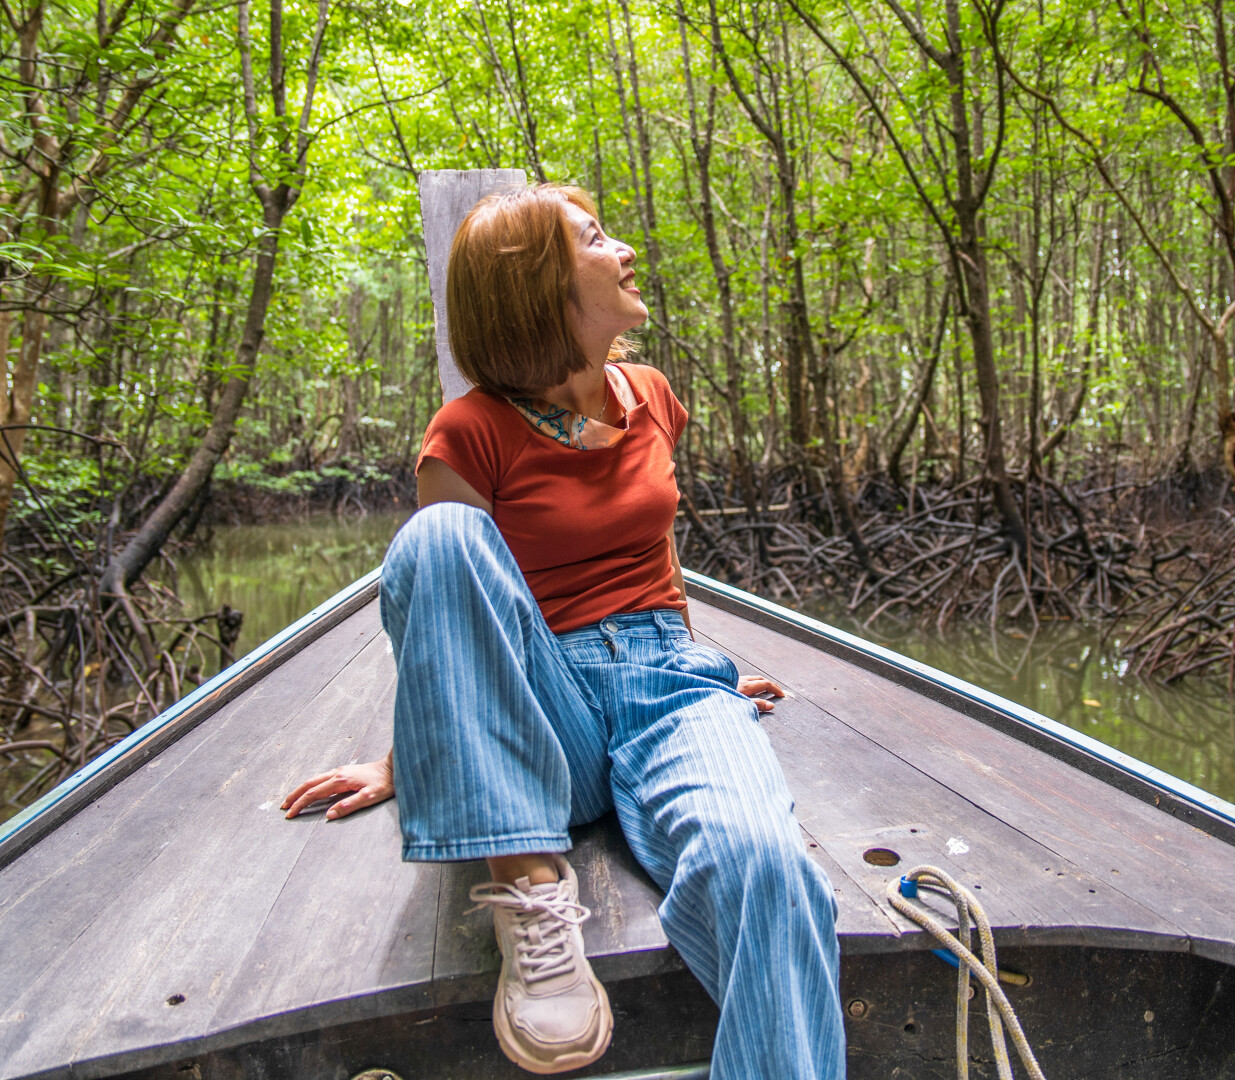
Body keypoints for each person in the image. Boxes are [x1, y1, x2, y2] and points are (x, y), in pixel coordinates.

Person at [280, 183, 845, 1078]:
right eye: (595, 238)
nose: (623, 249)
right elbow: (451, 608)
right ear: (542, 291)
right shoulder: (468, 434)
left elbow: (652, 552)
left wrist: (705, 666)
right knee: (440, 538)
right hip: (545, 711)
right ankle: (530, 885)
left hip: (667, 684)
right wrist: (413, 755)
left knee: (768, 869)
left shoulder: (653, 395)